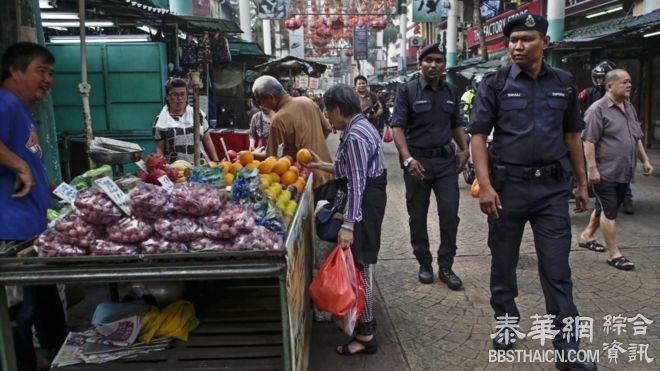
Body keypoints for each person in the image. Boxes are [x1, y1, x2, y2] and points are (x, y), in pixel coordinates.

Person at [468, 14, 597, 371]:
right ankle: (506, 322)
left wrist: (582, 184)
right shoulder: (494, 83)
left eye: (526, 39)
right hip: (506, 190)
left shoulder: (565, 83)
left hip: (552, 191)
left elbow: (573, 136)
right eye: (513, 40)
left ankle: (567, 348)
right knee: (503, 263)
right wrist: (486, 186)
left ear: (545, 43)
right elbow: (478, 135)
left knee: (557, 269)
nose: (517, 46)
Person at [1, 42, 67, 371]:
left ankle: (56, 353)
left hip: (31, 229)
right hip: (11, 232)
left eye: (50, 73)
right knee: (20, 314)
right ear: (14, 70)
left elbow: (27, 158)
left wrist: (46, 182)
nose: (48, 79)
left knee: (43, 303)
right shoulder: (5, 103)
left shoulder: (21, 110)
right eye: (41, 71)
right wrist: (21, 166)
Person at [306, 84, 387, 356]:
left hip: (366, 200)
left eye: (329, 112)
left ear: (338, 109)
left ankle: (366, 335)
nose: (329, 118)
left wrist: (349, 225)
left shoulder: (355, 135)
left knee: (361, 264)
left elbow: (357, 182)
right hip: (367, 198)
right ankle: (363, 326)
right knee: (360, 262)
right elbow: (348, 168)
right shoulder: (359, 127)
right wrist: (320, 165)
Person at [390, 43, 469, 289]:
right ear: (420, 63)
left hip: (446, 163)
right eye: (429, 60)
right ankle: (424, 263)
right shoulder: (408, 91)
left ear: (444, 64)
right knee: (417, 216)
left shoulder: (452, 91)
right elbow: (397, 127)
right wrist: (407, 159)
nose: (434, 65)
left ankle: (446, 266)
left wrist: (464, 148)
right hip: (417, 165)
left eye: (438, 60)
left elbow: (456, 122)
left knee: (449, 214)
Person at [578, 69, 653, 269]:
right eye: (624, 82)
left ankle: (587, 236)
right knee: (610, 211)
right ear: (609, 86)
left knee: (604, 207)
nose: (629, 85)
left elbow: (636, 137)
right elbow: (588, 141)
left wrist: (645, 160)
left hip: (624, 171)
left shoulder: (629, 107)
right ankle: (614, 254)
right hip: (605, 172)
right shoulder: (597, 109)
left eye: (630, 82)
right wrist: (592, 169)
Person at [252, 75, 335, 202]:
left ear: (271, 97)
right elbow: (328, 128)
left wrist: (251, 155)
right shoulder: (307, 101)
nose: (259, 105)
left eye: (259, 101)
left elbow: (272, 158)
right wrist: (313, 144)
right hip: (327, 173)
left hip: (304, 182)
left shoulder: (278, 119)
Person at [579, 61, 636, 214]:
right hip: (590, 132)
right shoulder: (587, 93)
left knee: (622, 167)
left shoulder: (624, 99)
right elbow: (576, 108)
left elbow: (632, 127)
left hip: (611, 136)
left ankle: (626, 197)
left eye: (602, 78)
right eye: (597, 78)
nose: (599, 81)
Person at [153, 78, 220, 164]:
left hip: (201, 167)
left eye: (183, 94)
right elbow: (160, 149)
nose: (180, 98)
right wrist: (163, 168)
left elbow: (207, 139)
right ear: (167, 97)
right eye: (175, 94)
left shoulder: (197, 114)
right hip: (176, 170)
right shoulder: (160, 121)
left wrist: (216, 161)